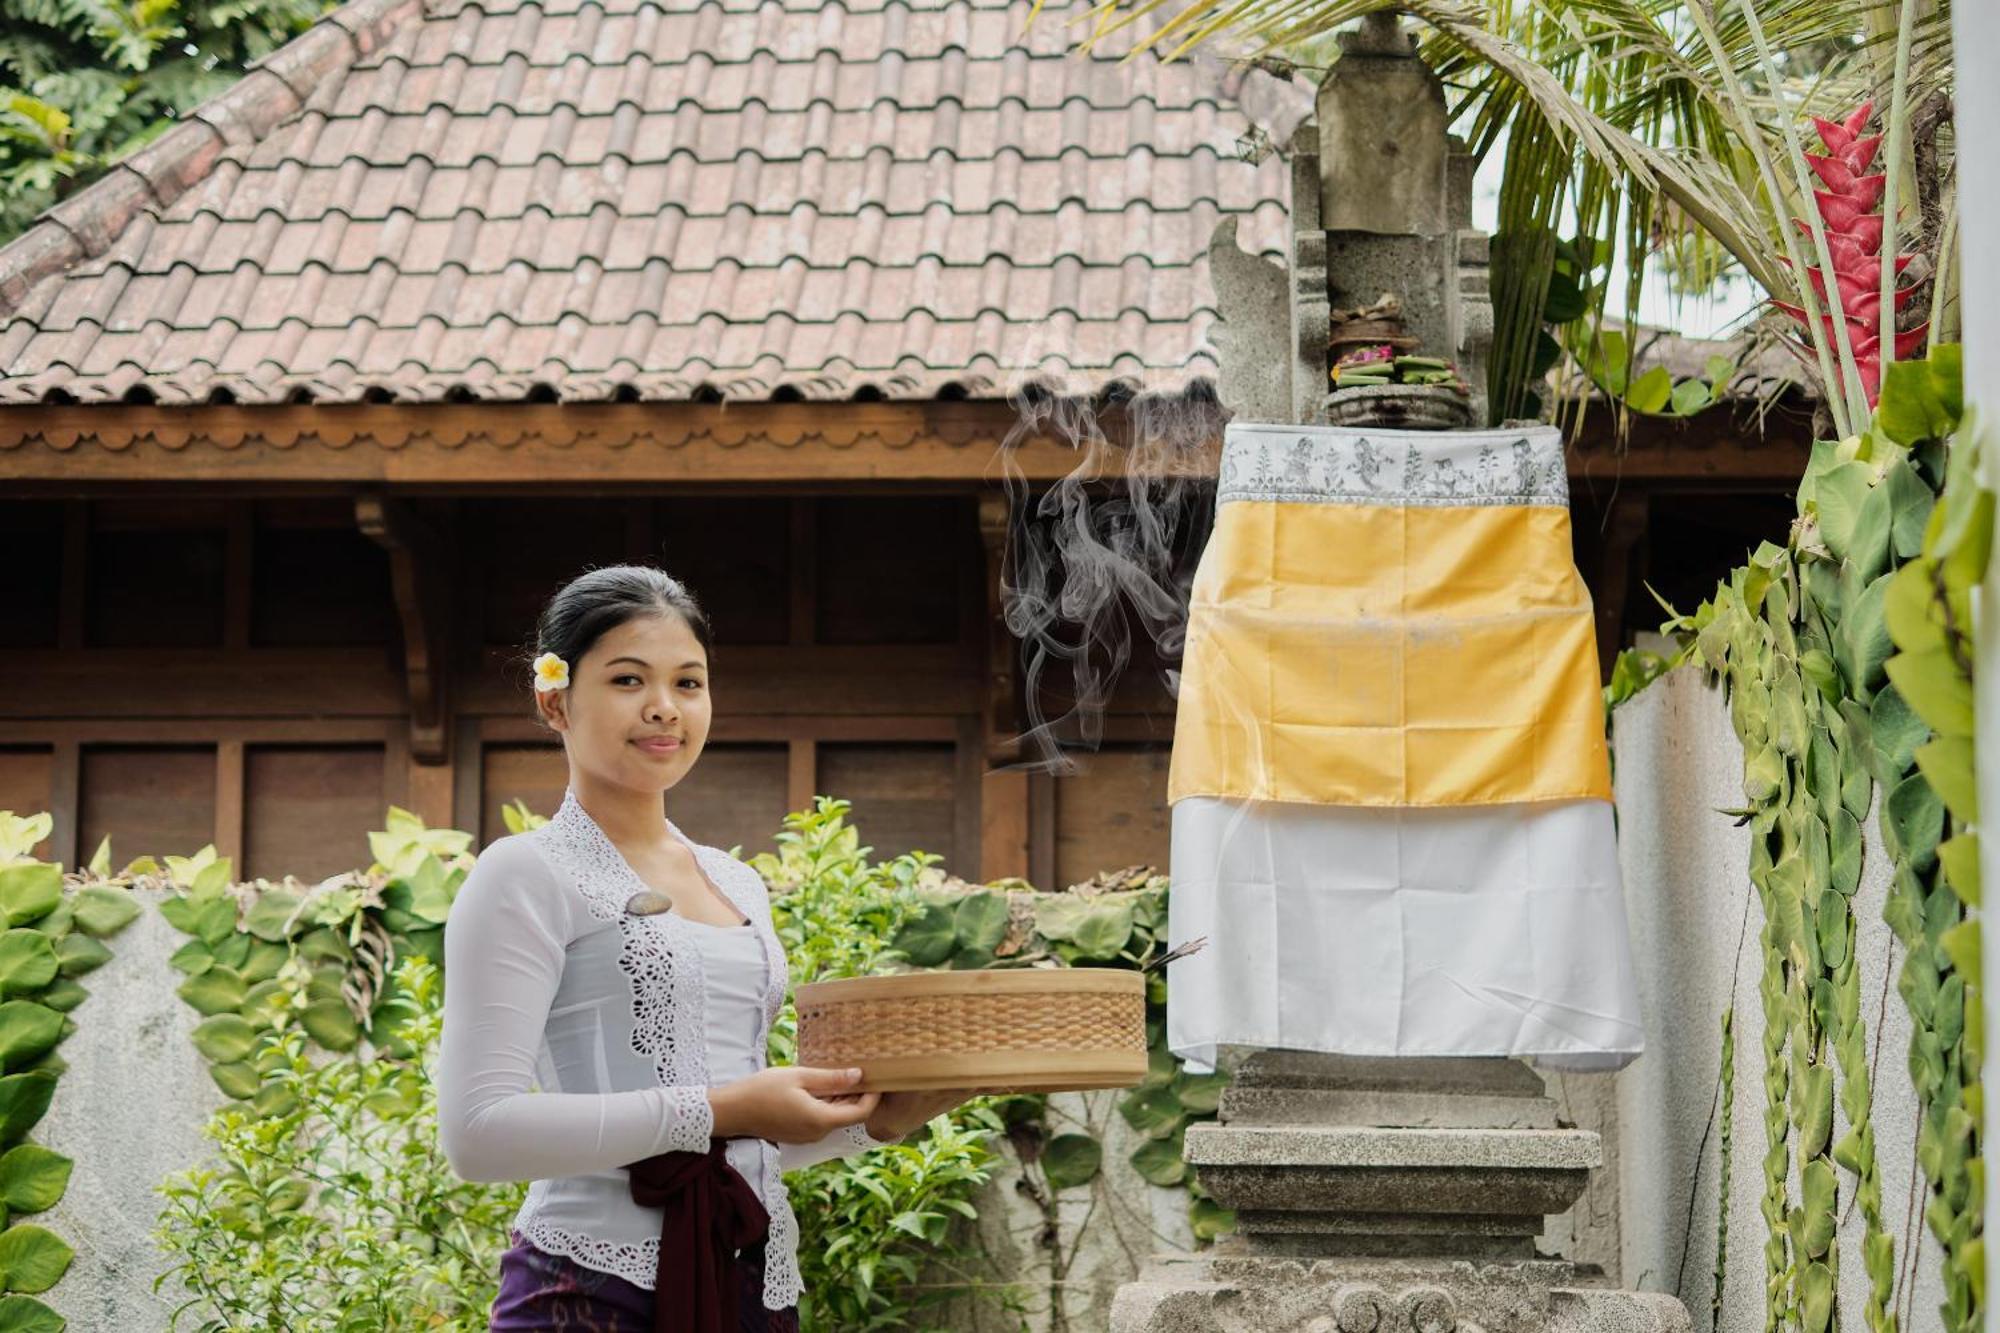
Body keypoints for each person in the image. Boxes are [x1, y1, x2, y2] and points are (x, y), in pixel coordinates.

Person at [438, 564, 981, 1331]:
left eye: (688, 683)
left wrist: (874, 1123)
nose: (664, 708)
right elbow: (478, 1135)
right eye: (628, 679)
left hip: (750, 1283)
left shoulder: (735, 882)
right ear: (554, 697)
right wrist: (728, 1106)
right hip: (585, 1292)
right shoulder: (524, 873)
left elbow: (731, 1146)